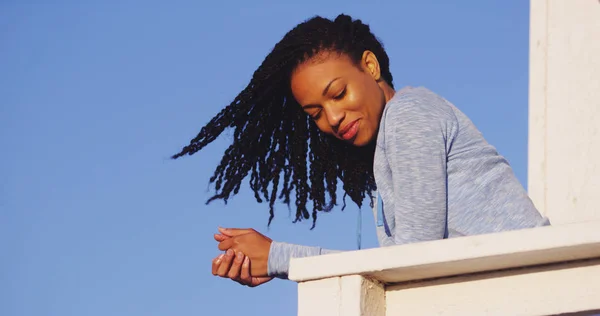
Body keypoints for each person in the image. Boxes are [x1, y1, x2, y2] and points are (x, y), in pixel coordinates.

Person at [172, 14, 550, 287]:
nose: (333, 118)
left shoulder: (409, 114)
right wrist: (278, 264)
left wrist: (279, 257)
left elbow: (411, 263)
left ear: (369, 66)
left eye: (338, 94)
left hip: (543, 292)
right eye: (315, 113)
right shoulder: (385, 153)